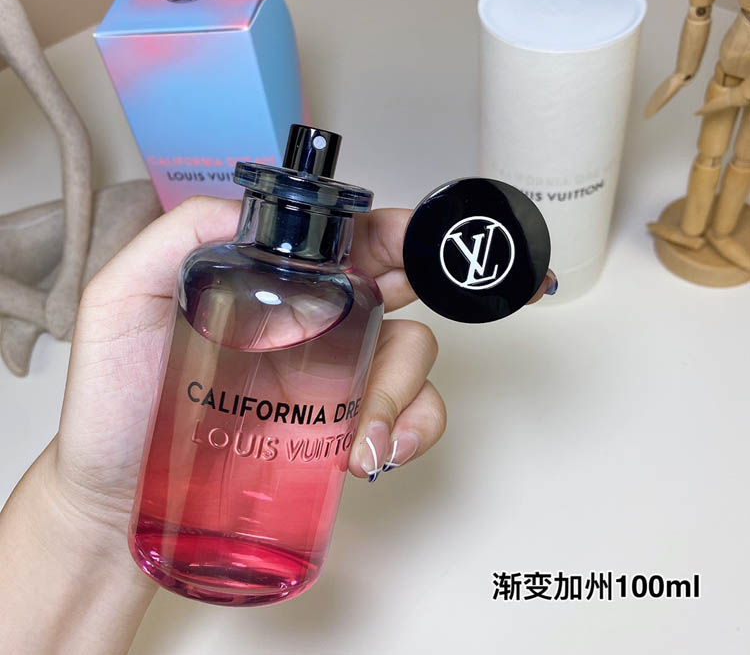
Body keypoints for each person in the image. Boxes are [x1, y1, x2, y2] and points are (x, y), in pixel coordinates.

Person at [0, 196, 555, 654]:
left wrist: (90, 517)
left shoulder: (357, 297)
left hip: (266, 556)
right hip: (155, 531)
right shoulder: (208, 272)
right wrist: (91, 508)